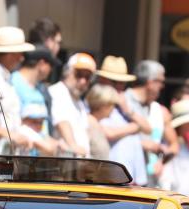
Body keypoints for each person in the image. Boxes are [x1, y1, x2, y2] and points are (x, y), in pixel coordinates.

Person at [95, 55, 148, 185]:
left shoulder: (126, 103)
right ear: (102, 80)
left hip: (132, 178)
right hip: (110, 177)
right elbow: (108, 133)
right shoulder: (96, 100)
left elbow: (147, 128)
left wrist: (128, 111)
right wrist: (134, 127)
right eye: (114, 82)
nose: (119, 87)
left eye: (122, 83)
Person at [0, 26, 33, 153]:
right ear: (9, 54)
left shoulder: (4, 75)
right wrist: (12, 135)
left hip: (3, 153)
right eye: (19, 53)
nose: (22, 58)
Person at [126, 60, 176, 184]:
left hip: (147, 181)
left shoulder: (157, 109)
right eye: (161, 81)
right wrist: (142, 144)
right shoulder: (124, 102)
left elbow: (174, 145)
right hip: (126, 177)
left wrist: (162, 161)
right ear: (150, 82)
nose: (162, 86)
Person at [48, 52, 94, 157]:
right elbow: (61, 122)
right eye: (79, 74)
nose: (83, 81)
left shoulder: (79, 101)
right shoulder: (58, 91)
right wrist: (73, 146)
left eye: (87, 77)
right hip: (65, 162)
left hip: (78, 163)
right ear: (67, 72)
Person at [11, 45, 57, 137]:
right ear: (42, 64)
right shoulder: (13, 83)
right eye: (50, 65)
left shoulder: (40, 88)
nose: (51, 70)